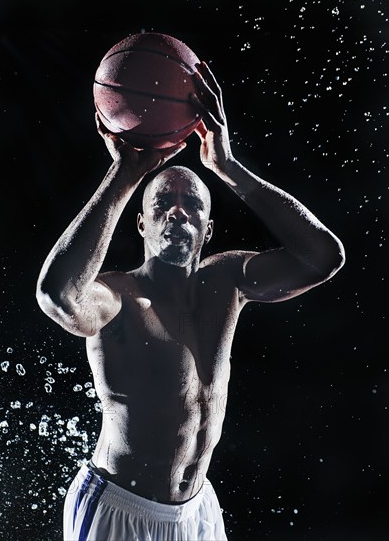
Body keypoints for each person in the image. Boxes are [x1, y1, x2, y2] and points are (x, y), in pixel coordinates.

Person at [36, 61, 345, 541]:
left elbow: (323, 257)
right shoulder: (119, 297)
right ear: (142, 225)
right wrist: (126, 173)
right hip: (120, 507)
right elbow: (58, 297)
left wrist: (227, 167)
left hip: (197, 509)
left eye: (192, 204)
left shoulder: (227, 281)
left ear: (208, 228)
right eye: (161, 204)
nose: (176, 211)